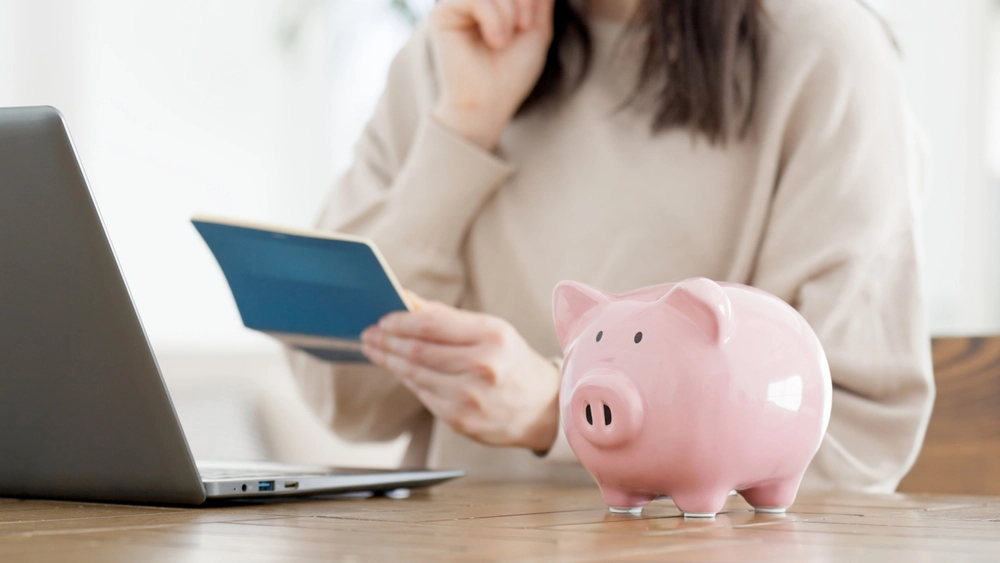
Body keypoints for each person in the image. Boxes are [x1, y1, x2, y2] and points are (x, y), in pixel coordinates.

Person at [288, 0, 935, 491]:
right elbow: (341, 398)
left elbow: (855, 436)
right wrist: (464, 125)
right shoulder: (448, 49)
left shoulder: (825, 53)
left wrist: (561, 410)